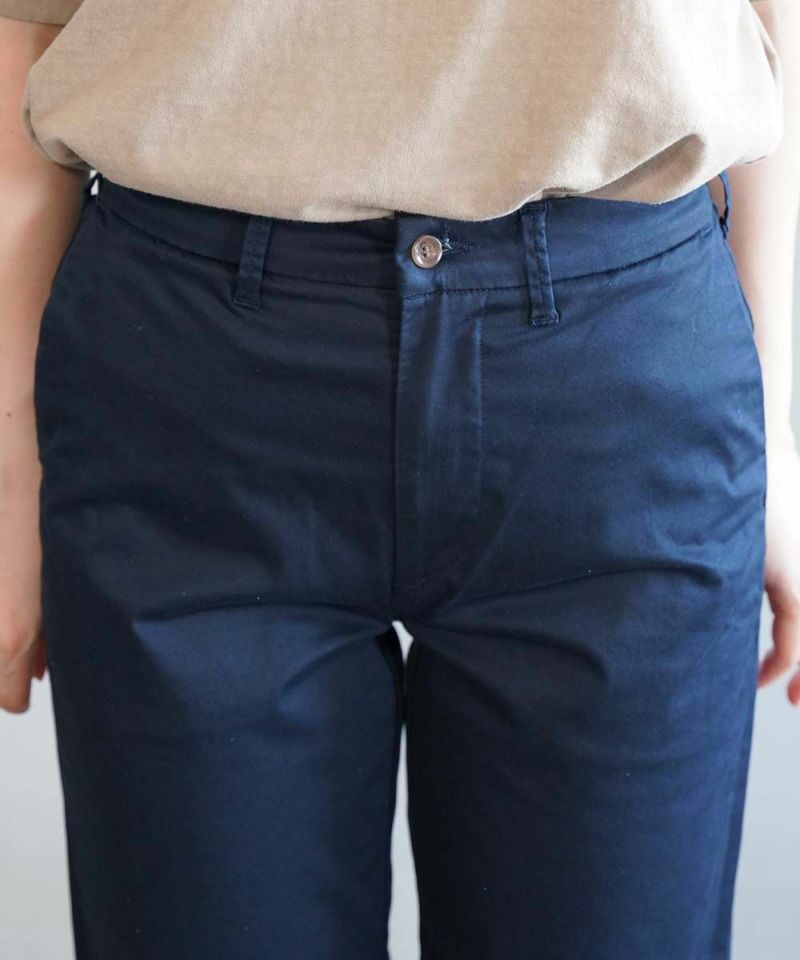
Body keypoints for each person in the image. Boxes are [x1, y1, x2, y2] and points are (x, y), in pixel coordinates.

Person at [1, 2, 798, 958]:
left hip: (620, 371)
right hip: (191, 385)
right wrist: (12, 465)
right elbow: (25, 23)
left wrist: (773, 428)